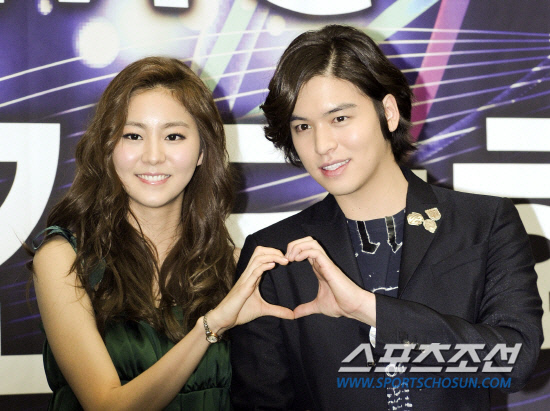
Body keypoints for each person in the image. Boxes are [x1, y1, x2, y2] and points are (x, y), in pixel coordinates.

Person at [230, 25, 543, 410]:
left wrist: (369, 310)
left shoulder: (483, 222)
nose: (322, 145)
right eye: (303, 127)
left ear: (389, 112)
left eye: (340, 118)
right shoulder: (275, 253)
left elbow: (513, 363)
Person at [29, 56, 293, 410]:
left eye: (173, 136)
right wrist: (210, 326)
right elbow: (106, 406)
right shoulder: (65, 260)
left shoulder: (234, 269)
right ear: (108, 147)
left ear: (202, 151)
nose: (153, 156)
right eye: (133, 135)